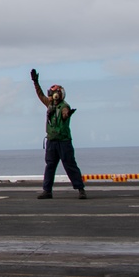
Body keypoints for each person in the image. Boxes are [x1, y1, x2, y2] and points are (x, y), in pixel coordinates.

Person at [30, 69, 86, 199]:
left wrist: (67, 114)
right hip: (51, 141)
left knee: (70, 165)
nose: (50, 96)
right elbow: (40, 95)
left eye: (53, 93)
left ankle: (80, 189)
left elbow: (65, 114)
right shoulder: (50, 104)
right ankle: (47, 191)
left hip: (63, 141)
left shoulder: (64, 106)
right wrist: (36, 82)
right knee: (50, 166)